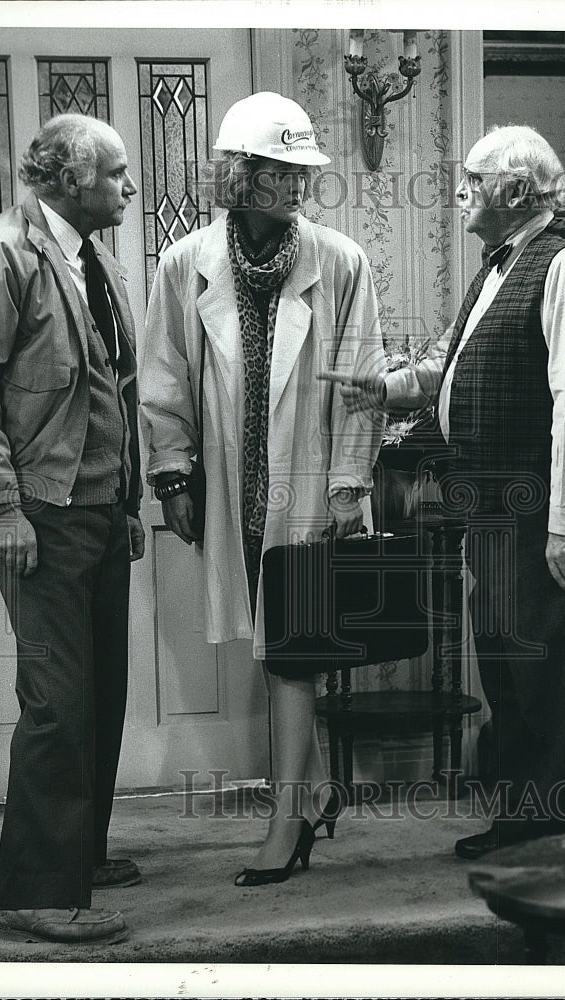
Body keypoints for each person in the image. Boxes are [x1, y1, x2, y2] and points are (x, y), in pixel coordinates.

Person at [323, 125, 565, 859]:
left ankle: (553, 829)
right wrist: (389, 387)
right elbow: (457, 366)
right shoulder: (502, 263)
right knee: (507, 661)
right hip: (495, 505)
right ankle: (525, 817)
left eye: (474, 178)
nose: (461, 190)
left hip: (544, 508)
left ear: (516, 192)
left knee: (548, 666)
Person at [139, 92, 384, 885]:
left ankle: (287, 824)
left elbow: (362, 380)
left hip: (311, 484)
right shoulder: (185, 263)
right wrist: (173, 472)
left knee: (292, 649)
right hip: (230, 486)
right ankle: (315, 792)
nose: (297, 186)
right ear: (240, 176)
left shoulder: (339, 261)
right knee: (275, 641)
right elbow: (164, 375)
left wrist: (349, 483)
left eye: (302, 171)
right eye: (280, 171)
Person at [0, 114, 145, 943]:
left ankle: (77, 856)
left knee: (100, 698)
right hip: (40, 516)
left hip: (97, 513)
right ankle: (33, 894)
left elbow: (113, 394)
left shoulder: (100, 264)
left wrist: (126, 504)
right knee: (57, 702)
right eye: (116, 174)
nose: (128, 187)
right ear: (64, 179)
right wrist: (1, 506)